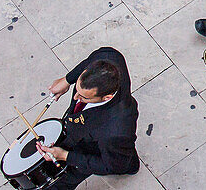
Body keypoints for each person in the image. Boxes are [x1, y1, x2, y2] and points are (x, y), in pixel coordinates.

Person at [36, 46, 139, 189]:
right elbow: (90, 61)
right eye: (77, 89)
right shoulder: (110, 57)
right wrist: (67, 80)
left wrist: (66, 156)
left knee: (62, 181)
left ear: (106, 97)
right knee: (120, 152)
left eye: (84, 97)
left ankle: (128, 164)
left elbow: (110, 165)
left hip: (91, 148)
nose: (76, 97)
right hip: (94, 135)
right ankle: (129, 160)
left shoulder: (116, 131)